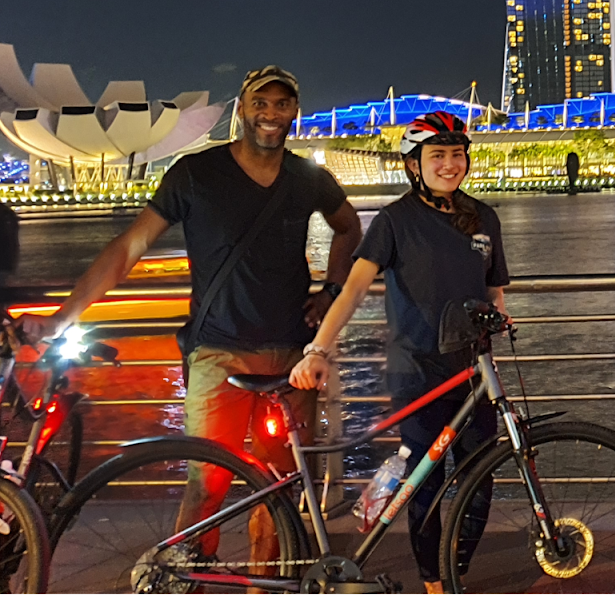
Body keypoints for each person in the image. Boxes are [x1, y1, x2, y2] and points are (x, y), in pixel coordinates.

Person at [20, 66, 362, 563]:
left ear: (295, 112)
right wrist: (62, 317)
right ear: (241, 109)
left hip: (292, 357)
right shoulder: (196, 175)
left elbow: (348, 228)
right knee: (207, 484)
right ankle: (187, 577)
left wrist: (331, 290)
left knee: (281, 490)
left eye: (282, 104)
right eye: (260, 103)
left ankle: (267, 579)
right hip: (217, 356)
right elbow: (130, 247)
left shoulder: (308, 178)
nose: (271, 114)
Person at [290, 111, 508, 594]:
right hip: (418, 371)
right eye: (437, 156)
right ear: (414, 165)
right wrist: (318, 348)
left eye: (457, 155)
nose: (449, 165)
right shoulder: (395, 221)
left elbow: (494, 291)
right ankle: (433, 582)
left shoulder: (483, 218)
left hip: (473, 372)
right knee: (423, 483)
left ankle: (459, 570)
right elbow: (351, 291)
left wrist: (501, 319)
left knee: (480, 479)